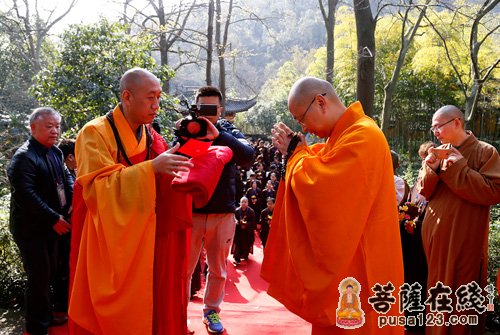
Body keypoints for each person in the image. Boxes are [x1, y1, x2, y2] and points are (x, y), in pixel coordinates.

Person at [261, 76, 404, 335]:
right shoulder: (343, 137)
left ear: (320, 102)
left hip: (364, 269)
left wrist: (296, 155)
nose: (303, 128)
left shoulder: (365, 135)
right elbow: (318, 161)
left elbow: (323, 189)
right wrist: (297, 154)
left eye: (302, 118)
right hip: (349, 272)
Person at [68, 68, 203, 335]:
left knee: (147, 299)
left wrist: (198, 144)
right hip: (106, 235)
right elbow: (97, 189)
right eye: (150, 98)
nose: (156, 105)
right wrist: (150, 169)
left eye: (159, 98)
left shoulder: (150, 134)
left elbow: (167, 172)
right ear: (127, 96)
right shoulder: (94, 133)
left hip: (143, 233)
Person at [417, 105, 500, 335]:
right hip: (436, 242)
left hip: (464, 240)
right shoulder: (437, 152)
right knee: (438, 290)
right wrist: (432, 169)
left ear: (456, 122)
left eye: (438, 126)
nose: (435, 131)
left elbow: (494, 191)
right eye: (432, 127)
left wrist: (460, 167)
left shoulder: (485, 152)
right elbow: (423, 191)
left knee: (462, 293)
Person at [179, 86, 255, 333]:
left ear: (221, 110)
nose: (207, 113)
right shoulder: (187, 129)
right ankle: (177, 315)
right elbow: (173, 159)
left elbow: (247, 155)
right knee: (183, 270)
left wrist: (218, 136)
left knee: (219, 269)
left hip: (223, 212)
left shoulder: (228, 131)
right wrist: (186, 136)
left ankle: (211, 313)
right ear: (195, 107)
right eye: (202, 108)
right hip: (190, 211)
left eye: (213, 109)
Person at [8, 107, 73, 335]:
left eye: (57, 126)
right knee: (39, 276)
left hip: (57, 224)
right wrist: (52, 218)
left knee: (57, 271)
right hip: (32, 229)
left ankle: (55, 314)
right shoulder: (24, 157)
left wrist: (73, 203)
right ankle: (37, 327)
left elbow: (66, 179)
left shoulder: (55, 152)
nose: (55, 131)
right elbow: (26, 195)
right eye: (49, 126)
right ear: (33, 127)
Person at [232, 196, 256, 265]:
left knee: (246, 245)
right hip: (239, 232)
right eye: (242, 202)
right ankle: (237, 259)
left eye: (245, 202)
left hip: (247, 232)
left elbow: (253, 221)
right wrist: (238, 223)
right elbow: (234, 220)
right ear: (240, 203)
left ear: (248, 203)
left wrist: (246, 224)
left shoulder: (251, 211)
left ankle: (245, 255)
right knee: (238, 245)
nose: (243, 203)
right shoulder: (236, 211)